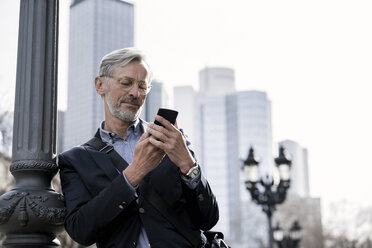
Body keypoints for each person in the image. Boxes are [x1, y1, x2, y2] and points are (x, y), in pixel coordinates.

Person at [58, 47, 219, 248]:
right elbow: (80, 230)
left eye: (142, 86)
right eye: (126, 83)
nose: (135, 93)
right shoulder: (74, 160)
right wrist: (133, 174)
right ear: (100, 85)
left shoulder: (171, 140)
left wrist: (189, 165)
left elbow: (208, 219)